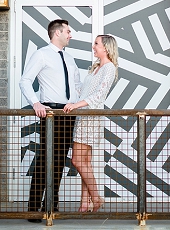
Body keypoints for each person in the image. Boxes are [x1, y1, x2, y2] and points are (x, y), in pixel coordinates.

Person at [19, 19, 82, 223]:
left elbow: (77, 85)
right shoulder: (41, 54)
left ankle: (52, 206)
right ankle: (34, 210)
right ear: (57, 33)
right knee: (44, 161)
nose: (70, 35)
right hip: (50, 113)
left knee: (59, 162)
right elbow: (25, 80)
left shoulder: (70, 59)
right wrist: (36, 103)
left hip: (68, 114)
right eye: (68, 31)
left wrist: (77, 105)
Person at [63, 34, 118, 212]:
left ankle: (96, 197)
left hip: (91, 117)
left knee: (77, 160)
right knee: (84, 161)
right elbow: (83, 90)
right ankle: (84, 204)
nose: (93, 46)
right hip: (83, 116)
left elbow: (99, 95)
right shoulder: (95, 68)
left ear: (106, 48)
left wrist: (75, 105)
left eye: (96, 44)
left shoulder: (109, 68)